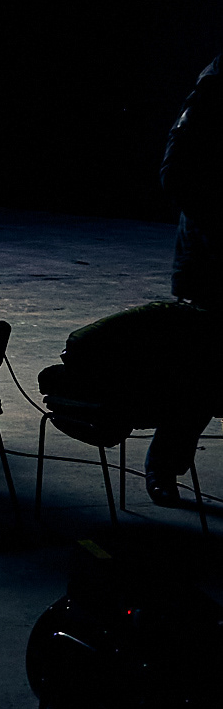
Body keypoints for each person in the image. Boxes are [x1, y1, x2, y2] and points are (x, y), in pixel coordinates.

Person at [151, 55, 222, 505]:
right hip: (210, 265)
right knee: (200, 375)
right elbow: (174, 175)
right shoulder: (210, 96)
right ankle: (163, 466)